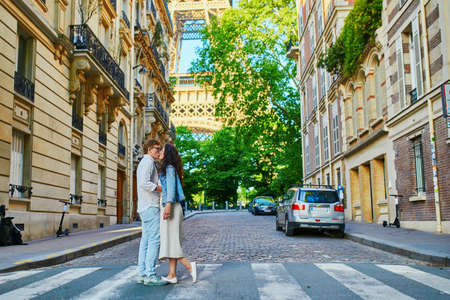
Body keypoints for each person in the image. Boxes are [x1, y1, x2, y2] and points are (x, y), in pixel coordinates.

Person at [159, 143, 197, 284]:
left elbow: (171, 189)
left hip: (171, 207)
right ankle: (172, 274)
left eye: (162, 150)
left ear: (167, 153)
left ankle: (189, 266)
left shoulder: (168, 168)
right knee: (172, 240)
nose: (160, 152)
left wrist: (168, 206)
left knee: (172, 241)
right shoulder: (171, 168)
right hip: (173, 206)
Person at [136, 139, 168, 286]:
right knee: (154, 240)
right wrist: (160, 188)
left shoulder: (145, 162)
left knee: (146, 241)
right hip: (150, 206)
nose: (159, 151)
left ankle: (142, 273)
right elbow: (144, 183)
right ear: (149, 149)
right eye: (157, 148)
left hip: (144, 206)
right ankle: (150, 274)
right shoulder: (148, 162)